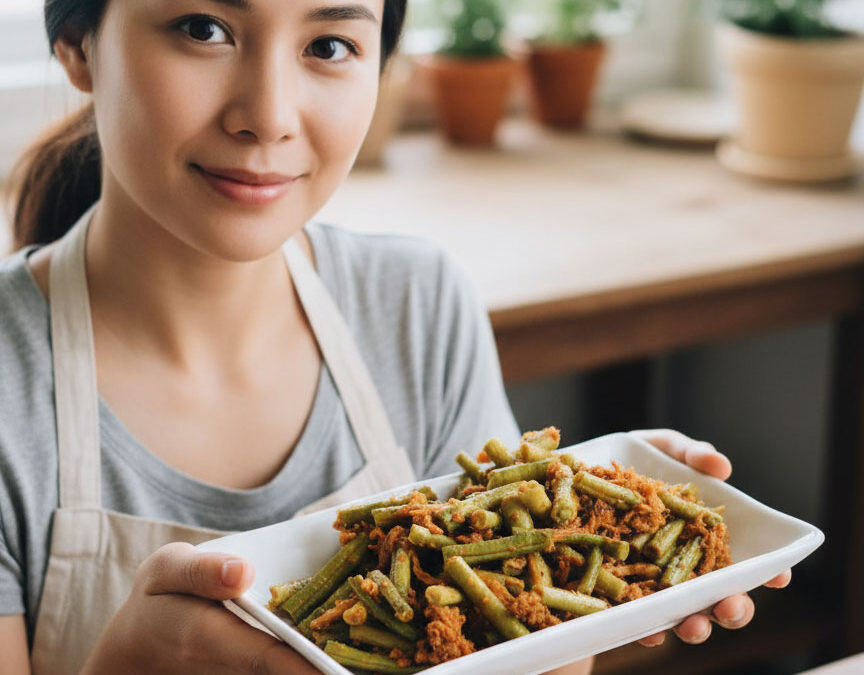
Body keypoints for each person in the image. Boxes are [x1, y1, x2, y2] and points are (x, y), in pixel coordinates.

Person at [0, 1, 790, 673]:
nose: (268, 115)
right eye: (203, 28)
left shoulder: (417, 305)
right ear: (77, 45)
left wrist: (601, 543)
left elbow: (522, 644)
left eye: (328, 45)